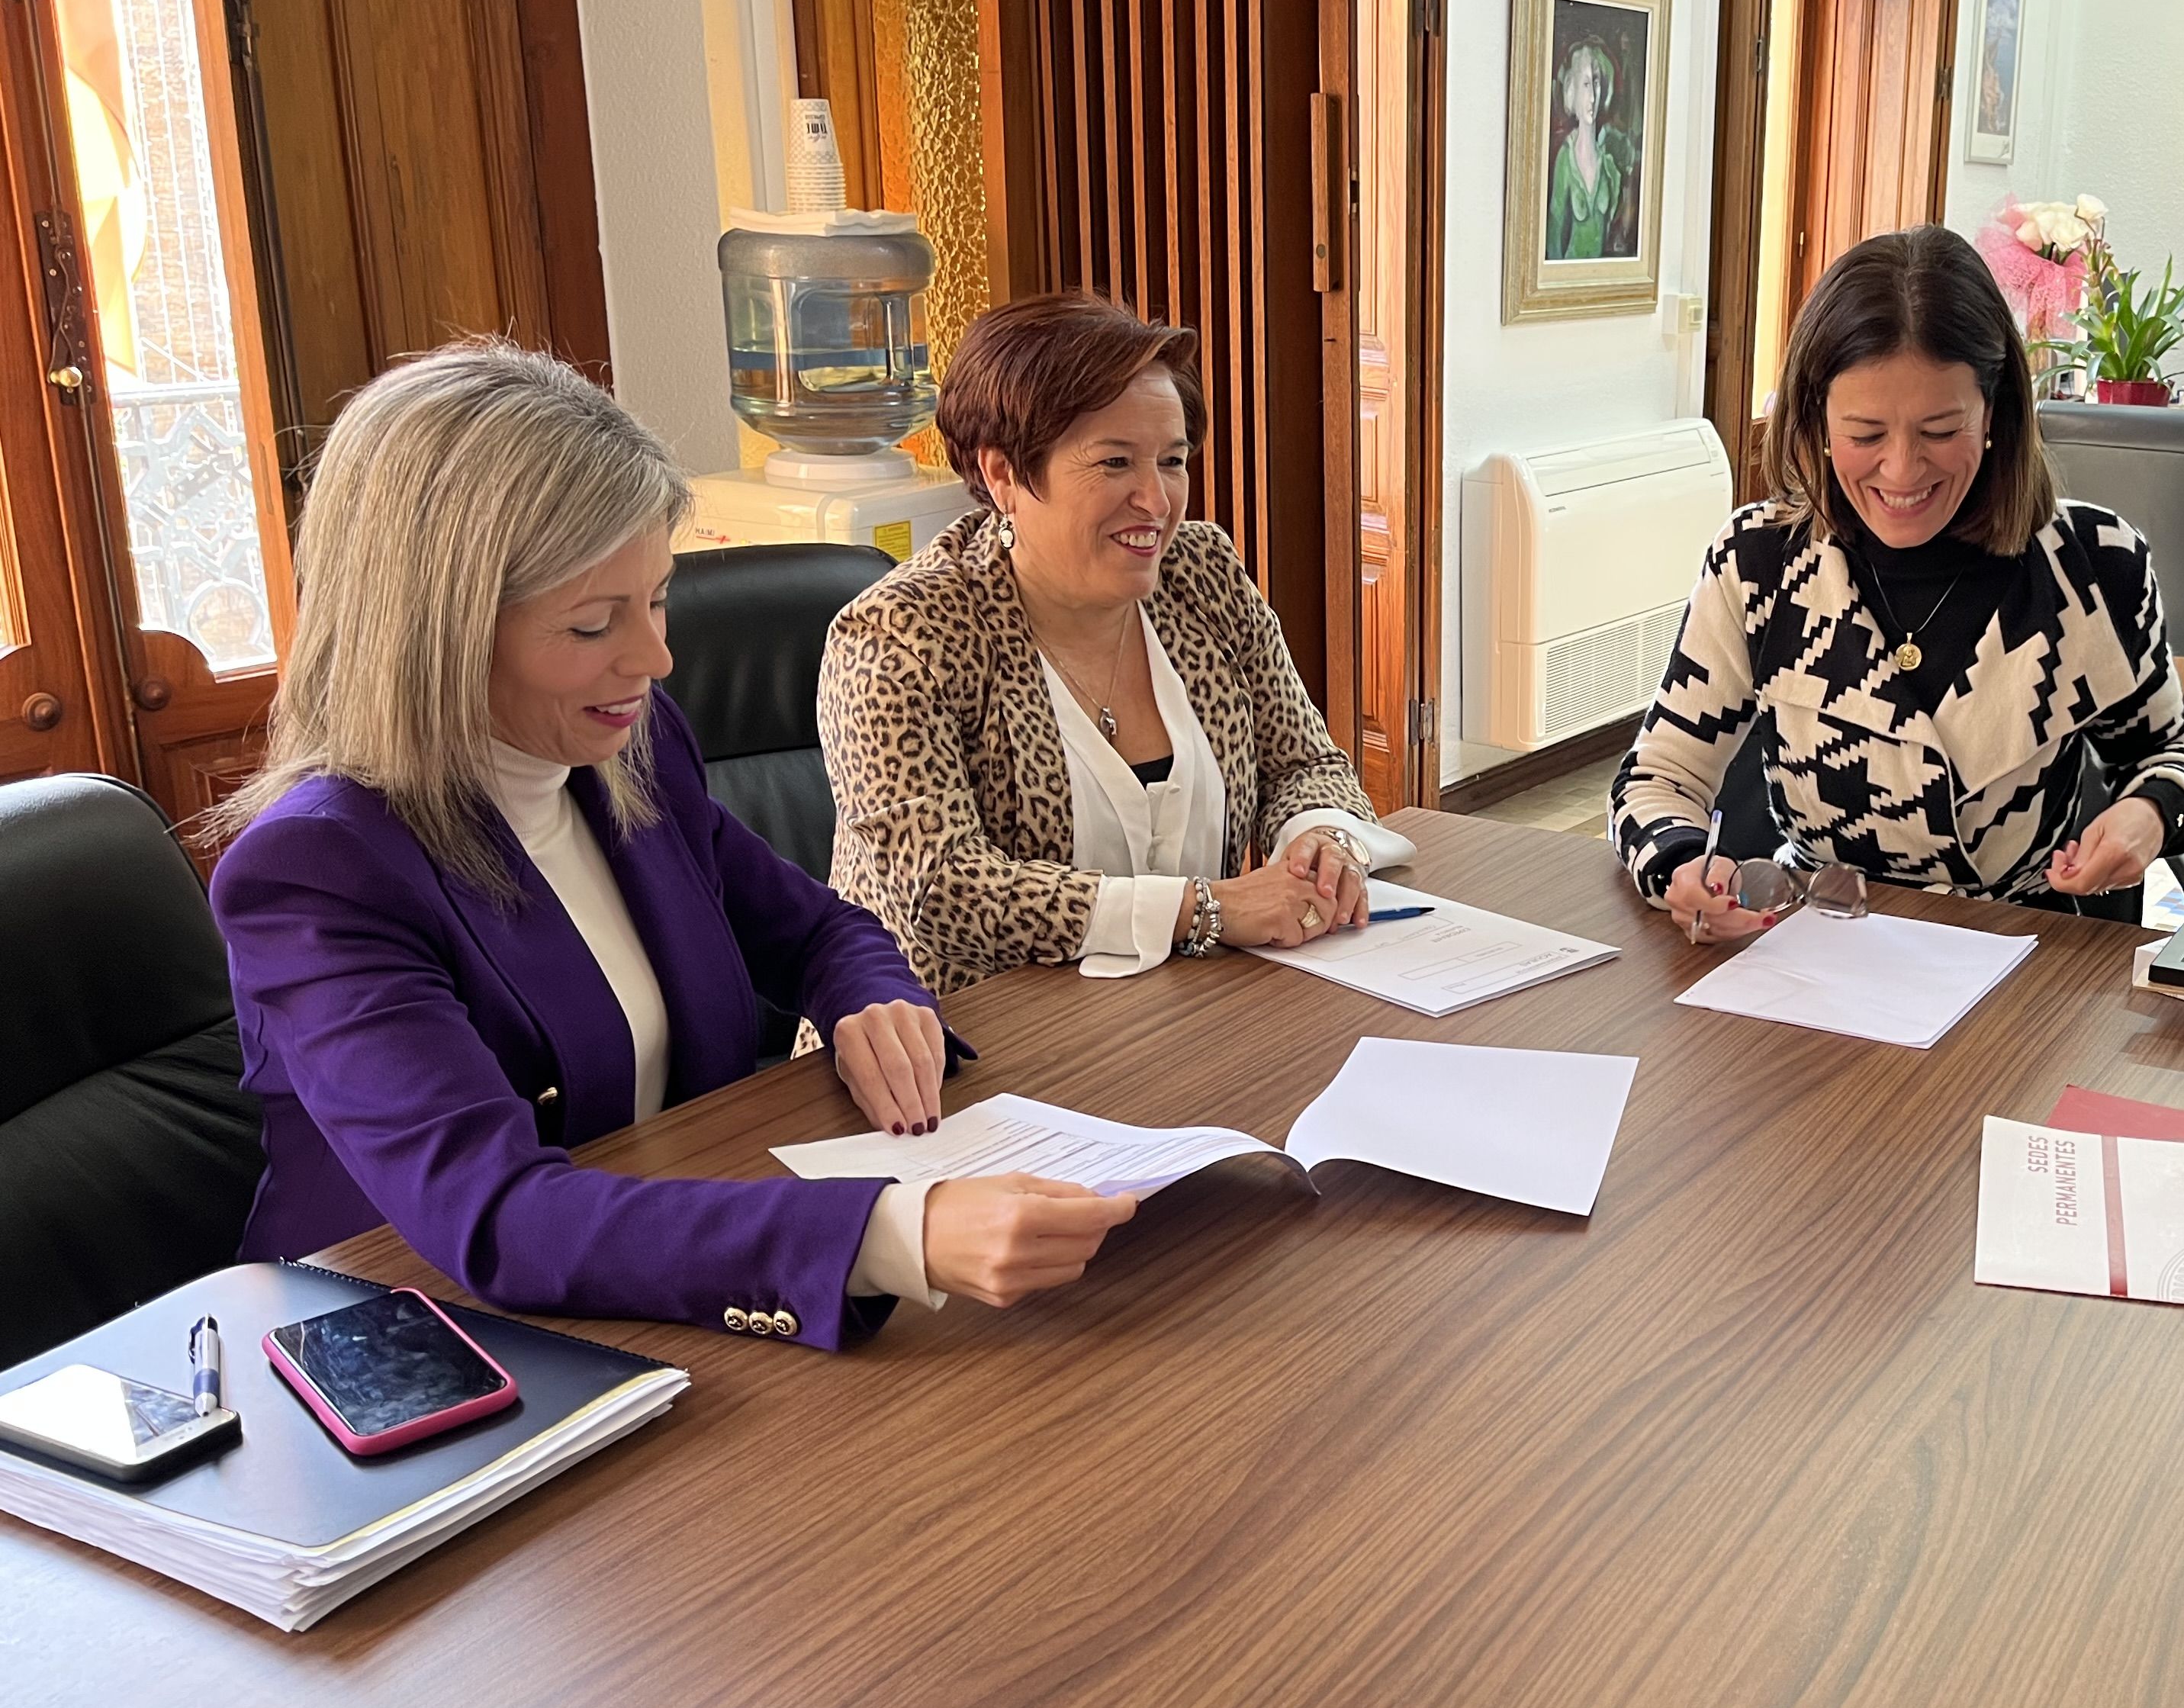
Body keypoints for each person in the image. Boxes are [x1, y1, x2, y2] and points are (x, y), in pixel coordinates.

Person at [212, 342, 1134, 1346]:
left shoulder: (630, 753)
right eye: (592, 625)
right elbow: (497, 1218)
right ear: (437, 634)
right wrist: (888, 1231)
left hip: (652, 1283)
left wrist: (875, 1000)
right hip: (412, 1341)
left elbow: (820, 931)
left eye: (656, 601)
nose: (655, 658)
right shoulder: (316, 874)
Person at [1609, 223, 2184, 936]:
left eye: (1939, 431)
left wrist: (2150, 814)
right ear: (1816, 421)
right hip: (1815, 948)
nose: (1902, 470)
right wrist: (1679, 863)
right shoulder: (1759, 563)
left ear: (1996, 415)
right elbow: (1656, 781)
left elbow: (2172, 754)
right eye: (1865, 435)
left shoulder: (2093, 566)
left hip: (2028, 960)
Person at [820, 292, 1387, 990]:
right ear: (1003, 474)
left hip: (1181, 1021)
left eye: (1172, 461)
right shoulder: (903, 636)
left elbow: (1305, 763)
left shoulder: (1201, 575)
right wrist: (1202, 909)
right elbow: (942, 892)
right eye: (1116, 464)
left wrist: (1322, 840)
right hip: (948, 1050)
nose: (1156, 501)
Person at [1546, 39, 1635, 261]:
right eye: (1585, 85)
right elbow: (1554, 245)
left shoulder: (1609, 163)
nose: (1592, 98)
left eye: (1596, 83)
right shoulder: (1566, 159)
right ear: (1572, 90)